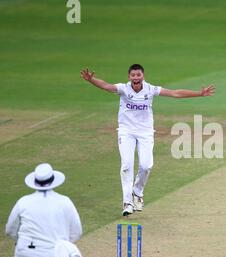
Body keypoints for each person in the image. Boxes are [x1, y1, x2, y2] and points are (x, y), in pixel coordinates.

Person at [81, 64, 215, 216]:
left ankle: (137, 193)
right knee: (127, 165)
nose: (136, 78)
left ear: (143, 76)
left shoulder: (150, 89)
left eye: (138, 75)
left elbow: (175, 93)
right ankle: (127, 202)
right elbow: (106, 86)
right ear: (129, 77)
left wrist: (199, 93)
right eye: (133, 75)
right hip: (126, 132)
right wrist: (91, 80)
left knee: (146, 165)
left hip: (145, 132)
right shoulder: (124, 89)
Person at [5, 163, 83, 257]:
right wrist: (62, 246)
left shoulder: (23, 201)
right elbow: (77, 232)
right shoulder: (65, 202)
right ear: (53, 180)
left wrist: (21, 242)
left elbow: (10, 230)